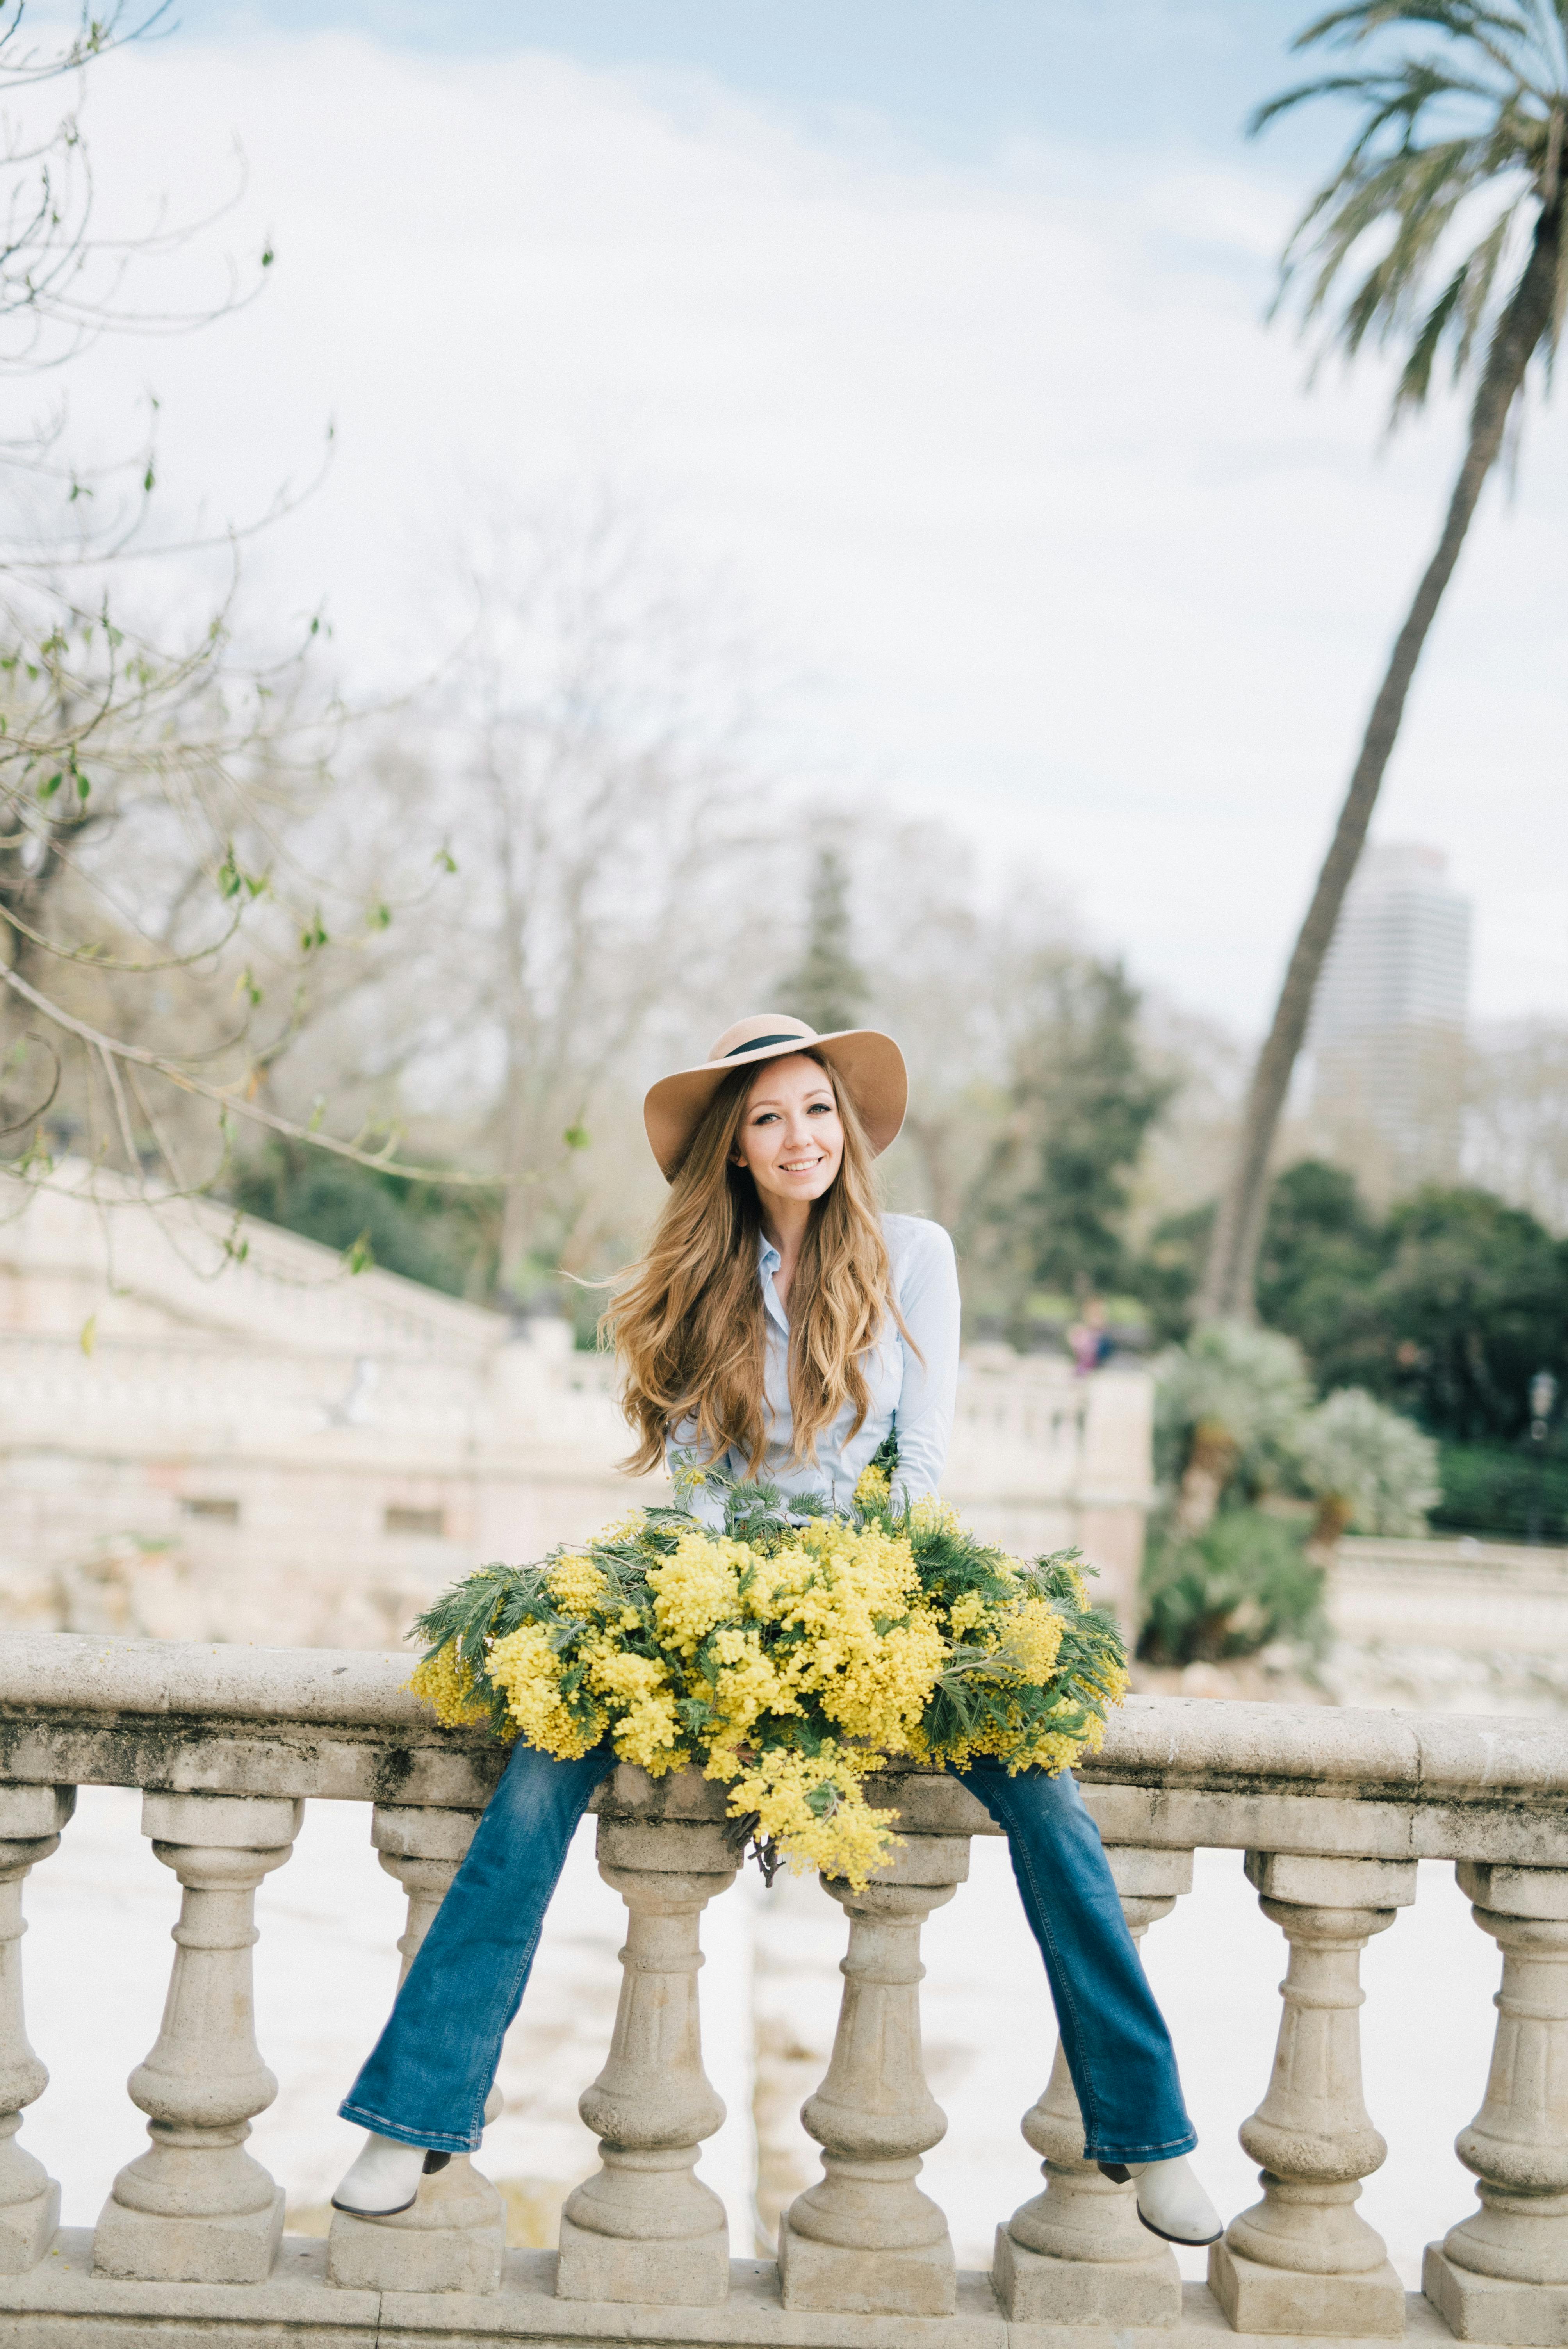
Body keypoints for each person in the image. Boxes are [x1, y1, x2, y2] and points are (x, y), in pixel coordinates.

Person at [331, 1012, 1220, 2249]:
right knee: (536, 1777)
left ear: (844, 1126)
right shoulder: (701, 1278)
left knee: (1049, 1791)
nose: (800, 1135)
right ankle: (410, 2115)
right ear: (736, 1149)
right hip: (717, 1571)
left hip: (880, 1575)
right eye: (767, 1117)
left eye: (816, 1109)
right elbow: (700, 1485)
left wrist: (875, 1610)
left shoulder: (917, 1255)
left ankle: (1150, 2130)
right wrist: (713, 1620)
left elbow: (923, 1465)